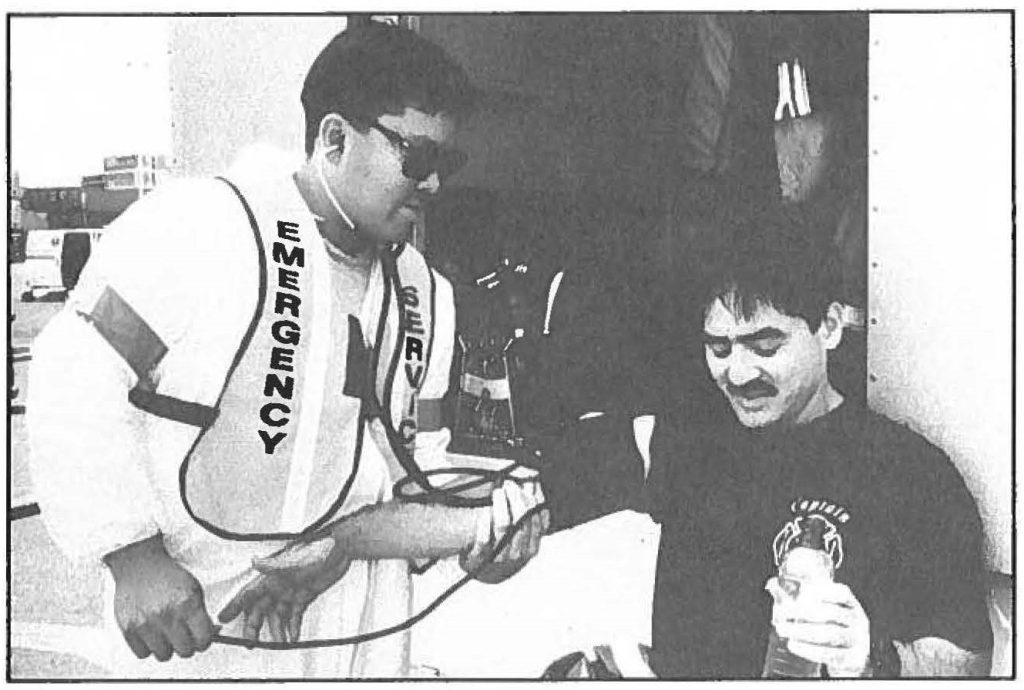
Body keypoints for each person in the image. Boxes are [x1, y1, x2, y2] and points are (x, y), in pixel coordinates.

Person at [27, 22, 545, 679]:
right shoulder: (198, 227)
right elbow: (73, 376)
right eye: (416, 158)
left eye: (449, 163)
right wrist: (131, 558)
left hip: (358, 639)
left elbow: (422, 474)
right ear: (333, 138)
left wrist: (479, 543)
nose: (435, 185)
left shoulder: (424, 294)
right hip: (203, 638)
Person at [535, 204, 994, 678]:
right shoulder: (688, 438)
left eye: (766, 347)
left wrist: (873, 656)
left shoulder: (910, 473)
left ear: (830, 326)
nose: (737, 372)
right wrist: (500, 534)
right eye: (719, 347)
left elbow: (971, 662)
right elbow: (539, 497)